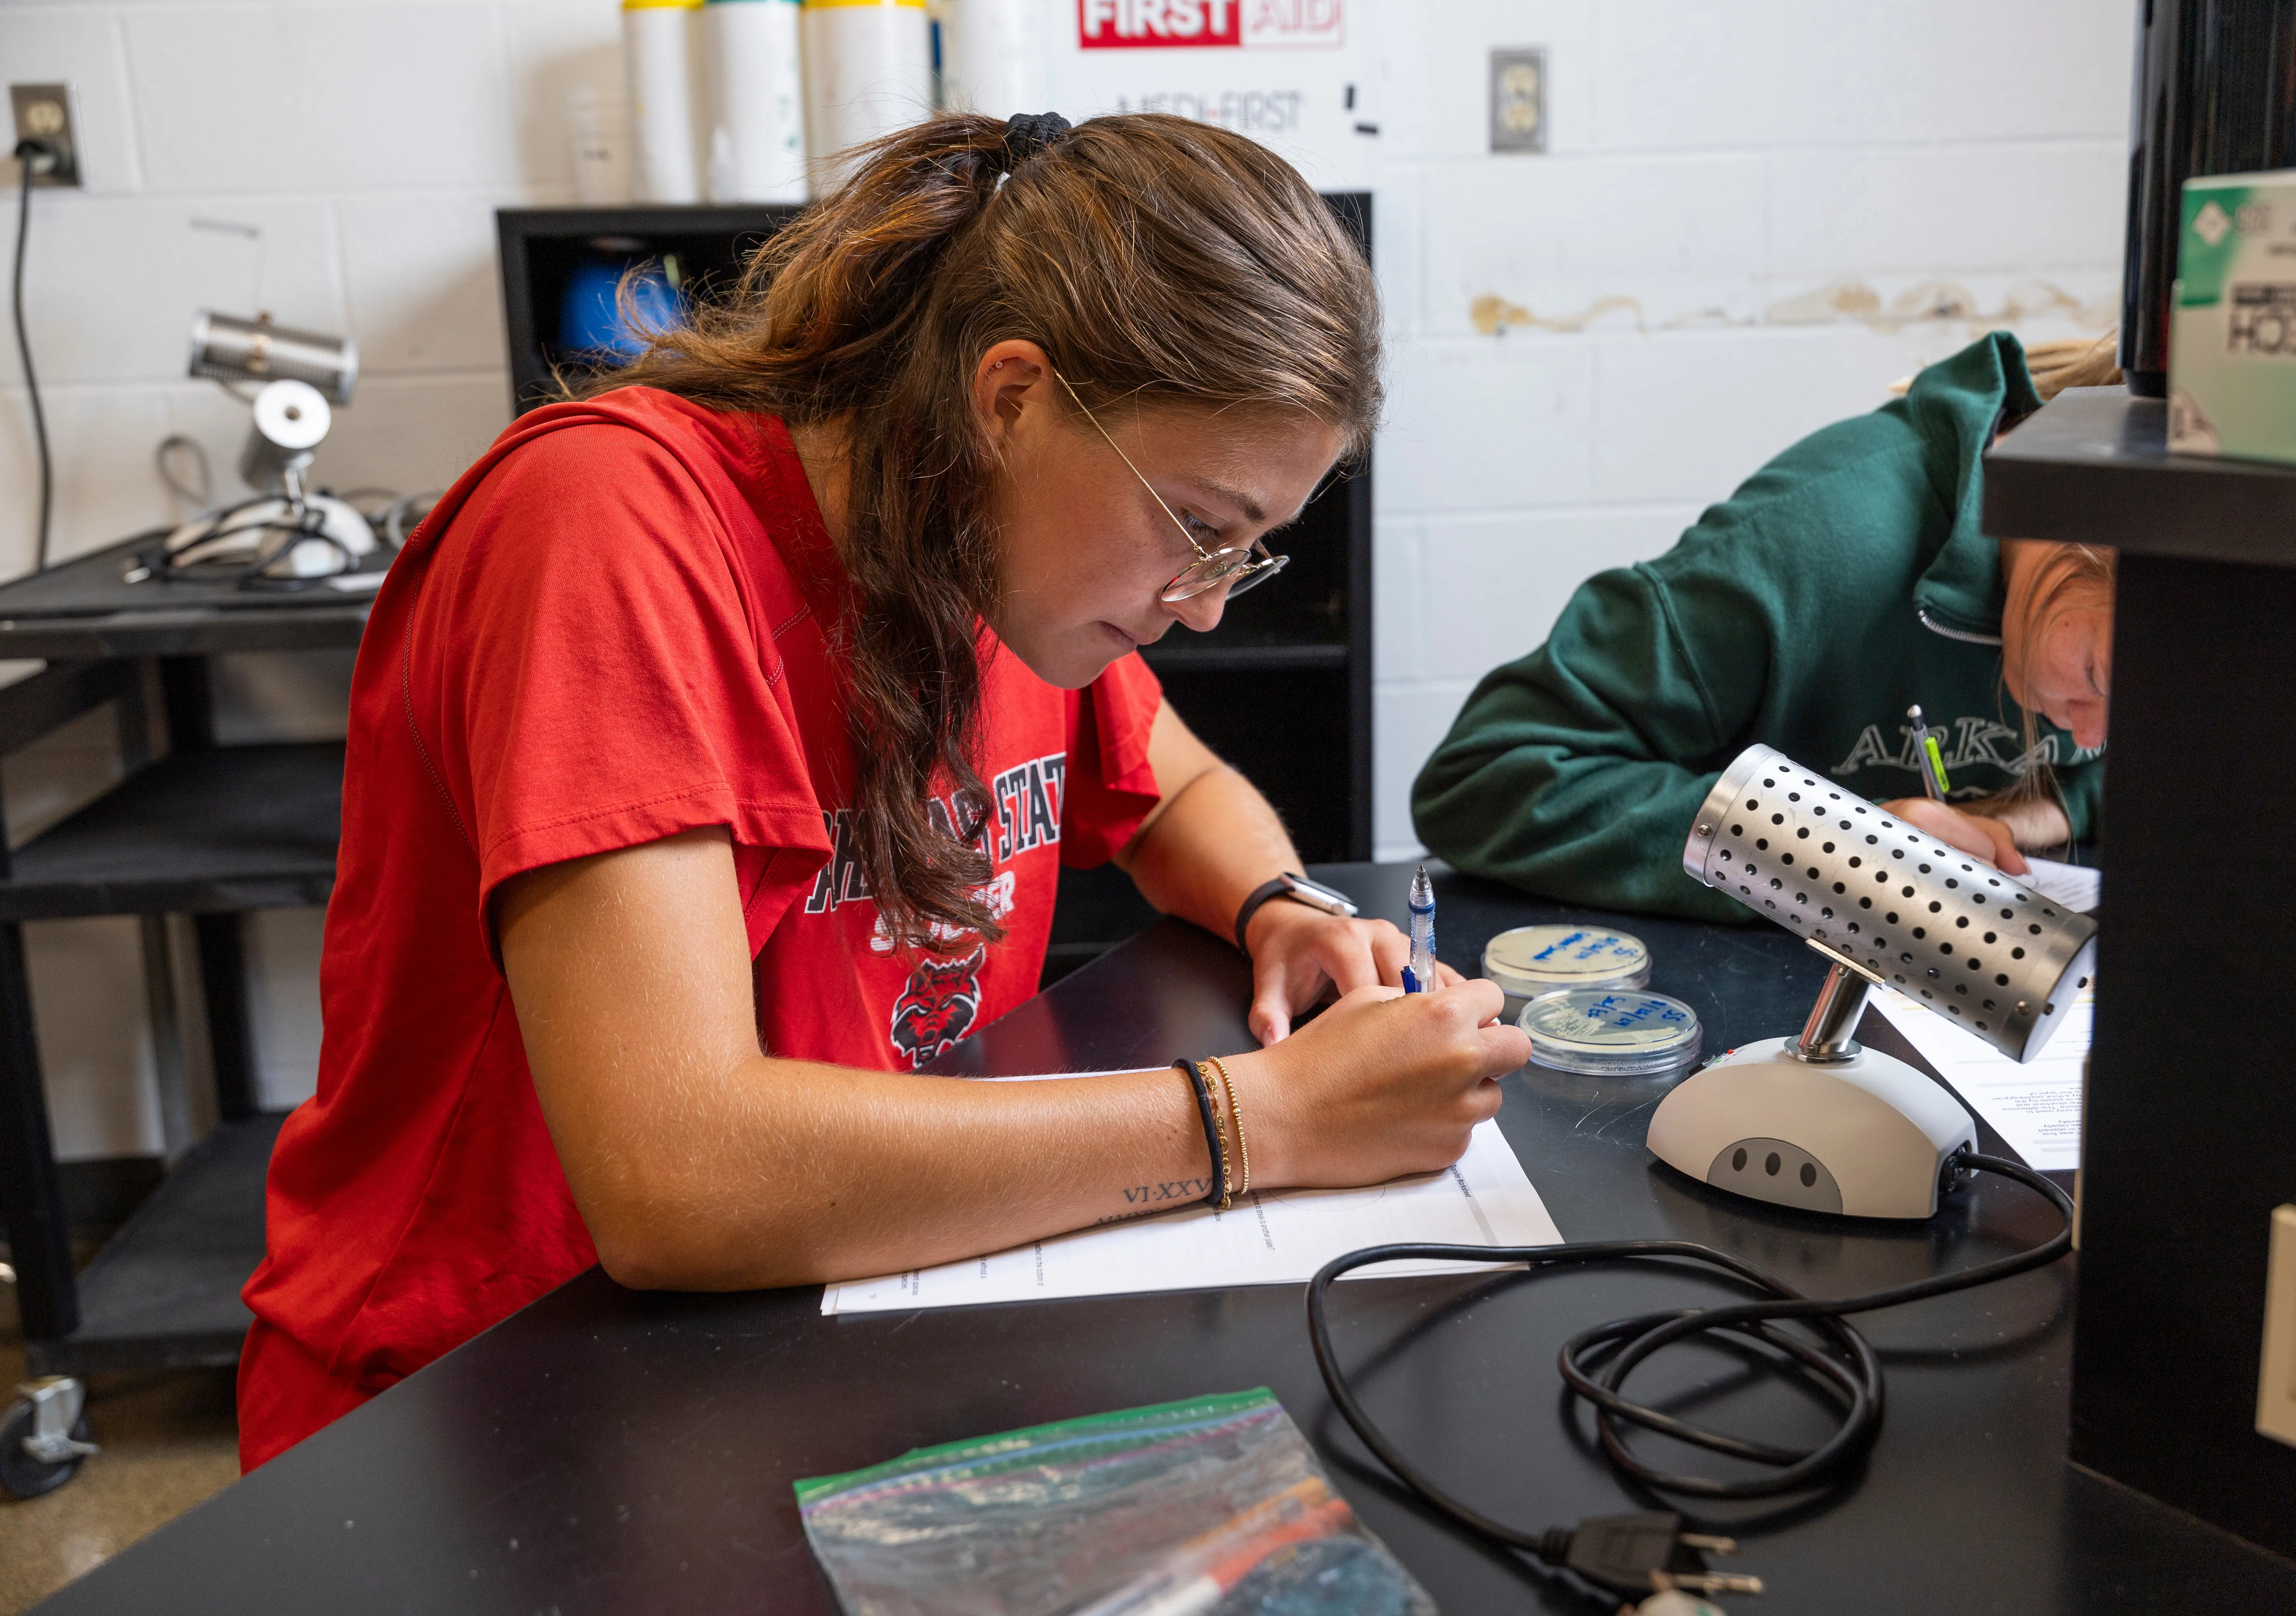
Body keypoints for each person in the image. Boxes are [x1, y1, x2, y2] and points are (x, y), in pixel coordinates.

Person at [236, 113, 1529, 1470]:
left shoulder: (992, 557)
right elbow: (677, 1177)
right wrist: (1266, 1121)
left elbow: (1169, 786)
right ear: (1013, 394)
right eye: (1199, 529)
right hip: (491, 1405)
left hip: (809, 1325)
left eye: (1248, 553)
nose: (1204, 610)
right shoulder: (608, 530)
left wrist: (1281, 901)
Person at [1411, 331, 2119, 922]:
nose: (2087, 735)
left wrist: (2023, 819)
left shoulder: (2116, 636)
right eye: (2093, 676)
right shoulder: (1819, 545)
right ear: (2074, 530)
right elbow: (1483, 779)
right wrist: (1844, 851)